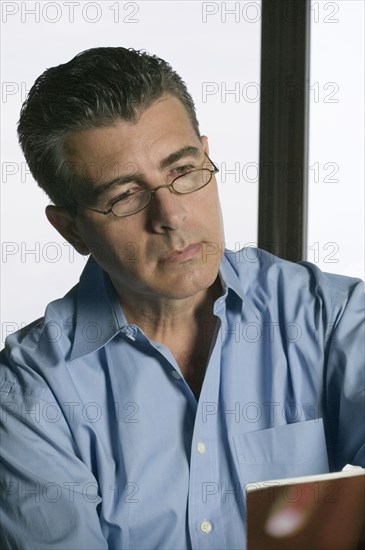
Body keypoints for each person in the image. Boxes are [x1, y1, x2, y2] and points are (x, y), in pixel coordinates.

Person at [0, 47, 364, 550]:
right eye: (125, 196)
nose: (171, 215)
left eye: (183, 170)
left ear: (207, 155)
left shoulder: (332, 317)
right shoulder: (30, 395)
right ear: (71, 230)